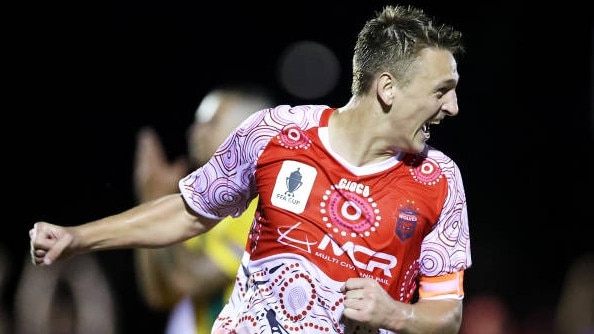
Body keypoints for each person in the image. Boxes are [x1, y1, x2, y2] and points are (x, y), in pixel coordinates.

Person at [29, 4, 472, 333]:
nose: (452, 107)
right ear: (388, 88)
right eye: (441, 91)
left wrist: (394, 313)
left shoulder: (440, 181)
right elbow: (190, 210)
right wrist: (79, 237)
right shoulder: (276, 133)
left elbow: (446, 311)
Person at [133, 85, 275, 334]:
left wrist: (155, 199)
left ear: (248, 130)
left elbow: (185, 279)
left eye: (209, 122)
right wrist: (149, 203)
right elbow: (160, 293)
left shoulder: (262, 206)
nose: (194, 131)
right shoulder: (211, 211)